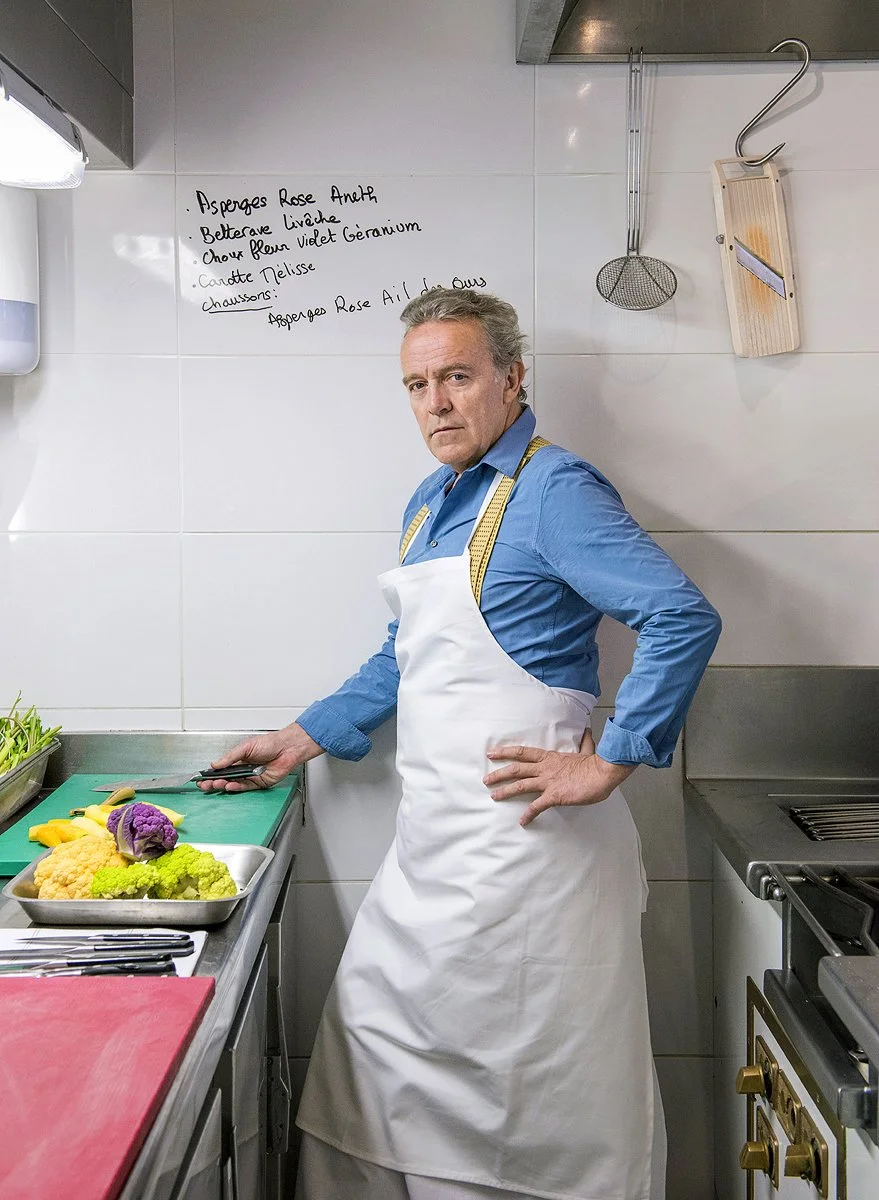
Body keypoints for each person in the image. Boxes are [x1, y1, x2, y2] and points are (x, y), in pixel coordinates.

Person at [201, 288, 722, 1200]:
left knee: (537, 1123)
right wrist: (303, 736)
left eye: (456, 377)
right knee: (368, 1083)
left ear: (512, 379)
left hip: (532, 866)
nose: (435, 404)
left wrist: (610, 760)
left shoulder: (555, 489)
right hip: (432, 855)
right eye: (416, 385)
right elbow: (405, 656)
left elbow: (680, 616)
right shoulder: (429, 501)